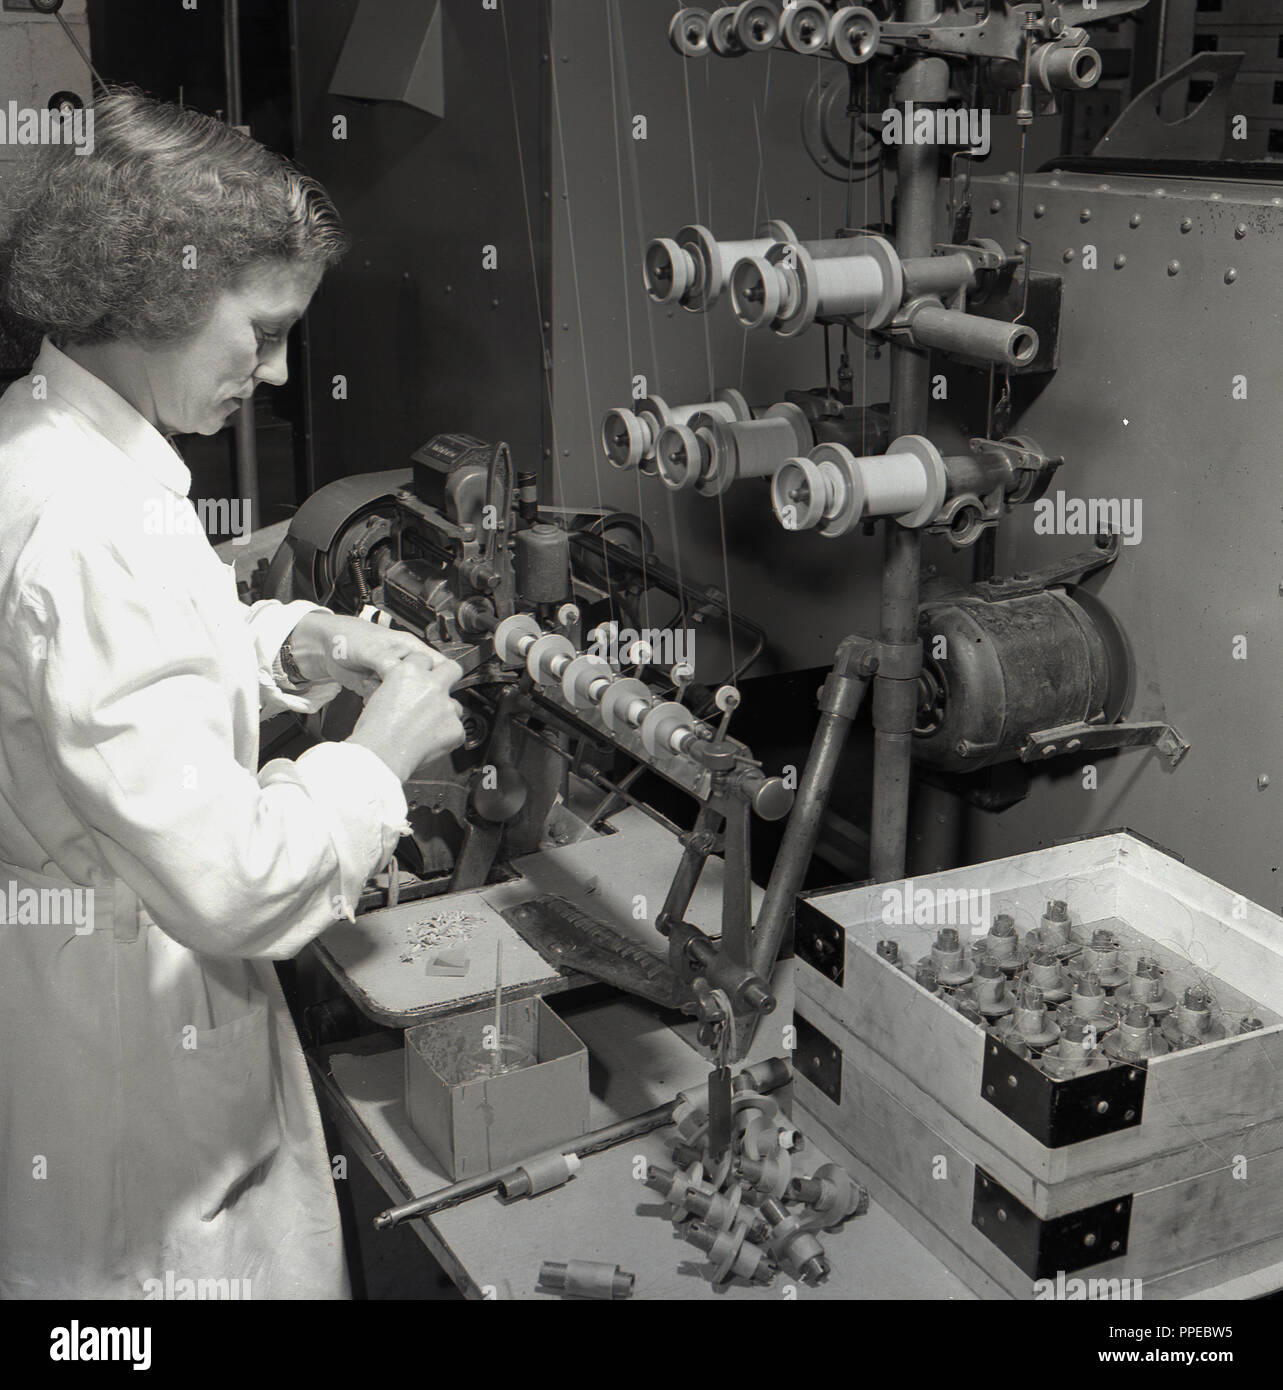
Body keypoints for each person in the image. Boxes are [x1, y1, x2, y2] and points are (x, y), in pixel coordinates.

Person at [0, 90, 465, 1299]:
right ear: (153, 293)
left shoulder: (43, 439)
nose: (275, 370)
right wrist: (378, 755)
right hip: (131, 1055)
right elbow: (232, 883)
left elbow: (102, 674)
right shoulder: (98, 527)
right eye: (259, 332)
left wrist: (290, 642)